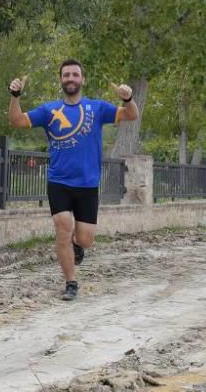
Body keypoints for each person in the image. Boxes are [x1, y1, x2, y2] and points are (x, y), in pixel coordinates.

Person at [8, 59, 139, 300]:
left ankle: (77, 246)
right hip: (59, 181)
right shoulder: (49, 110)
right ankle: (71, 283)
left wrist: (128, 98)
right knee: (62, 228)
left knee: (86, 240)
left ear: (82, 80)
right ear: (61, 80)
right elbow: (16, 121)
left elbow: (131, 115)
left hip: (88, 184)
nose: (70, 78)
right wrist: (15, 95)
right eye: (66, 75)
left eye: (75, 75)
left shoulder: (96, 108)